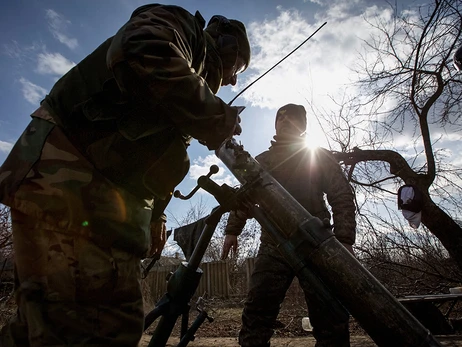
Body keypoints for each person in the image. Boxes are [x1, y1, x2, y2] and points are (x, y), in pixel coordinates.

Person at [0, 4, 250, 346]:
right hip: (66, 185)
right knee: (89, 328)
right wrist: (215, 116)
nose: (234, 79)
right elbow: (140, 46)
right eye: (238, 67)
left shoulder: (183, 87)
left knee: (54, 327)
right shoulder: (183, 32)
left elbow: (157, 158)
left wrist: (157, 217)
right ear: (226, 46)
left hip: (96, 200)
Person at [221, 104, 356, 347]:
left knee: (330, 317)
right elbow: (245, 198)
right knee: (256, 314)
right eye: (279, 117)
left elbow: (341, 195)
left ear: (302, 124)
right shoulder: (261, 161)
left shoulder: (318, 155)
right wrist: (232, 231)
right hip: (275, 244)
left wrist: (345, 239)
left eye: (291, 117)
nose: (284, 120)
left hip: (317, 244)